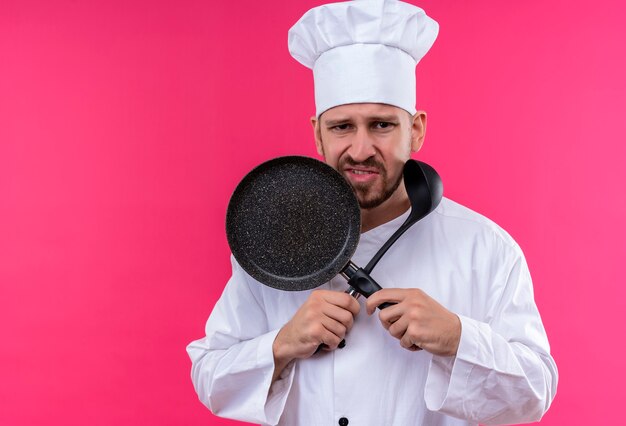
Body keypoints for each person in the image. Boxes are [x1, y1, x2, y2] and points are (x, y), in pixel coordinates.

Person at [187, 1, 558, 425]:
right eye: (342, 126)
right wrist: (282, 343)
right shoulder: (272, 242)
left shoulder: (485, 248)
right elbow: (209, 376)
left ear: (415, 130)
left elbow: (534, 396)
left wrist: (459, 337)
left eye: (382, 125)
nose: (360, 150)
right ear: (317, 135)